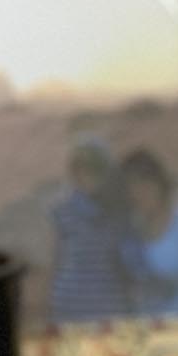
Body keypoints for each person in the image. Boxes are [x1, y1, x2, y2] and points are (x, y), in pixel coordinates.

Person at [47, 135, 133, 323]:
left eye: (94, 169)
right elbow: (56, 259)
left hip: (110, 305)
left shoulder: (121, 210)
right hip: (70, 304)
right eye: (80, 169)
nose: (86, 176)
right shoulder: (61, 210)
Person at [119, 147, 178, 319]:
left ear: (160, 183)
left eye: (144, 183)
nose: (138, 192)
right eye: (131, 186)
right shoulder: (131, 234)